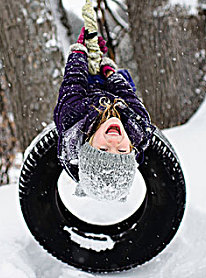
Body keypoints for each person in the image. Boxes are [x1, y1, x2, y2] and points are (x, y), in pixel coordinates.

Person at [54, 28, 155, 201]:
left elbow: (73, 81)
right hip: (115, 96)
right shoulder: (138, 126)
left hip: (87, 94)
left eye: (103, 149)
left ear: (87, 148)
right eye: (122, 150)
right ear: (131, 150)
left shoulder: (72, 118)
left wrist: (80, 52)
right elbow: (126, 93)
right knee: (125, 79)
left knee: (87, 77)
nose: (114, 142)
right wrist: (109, 71)